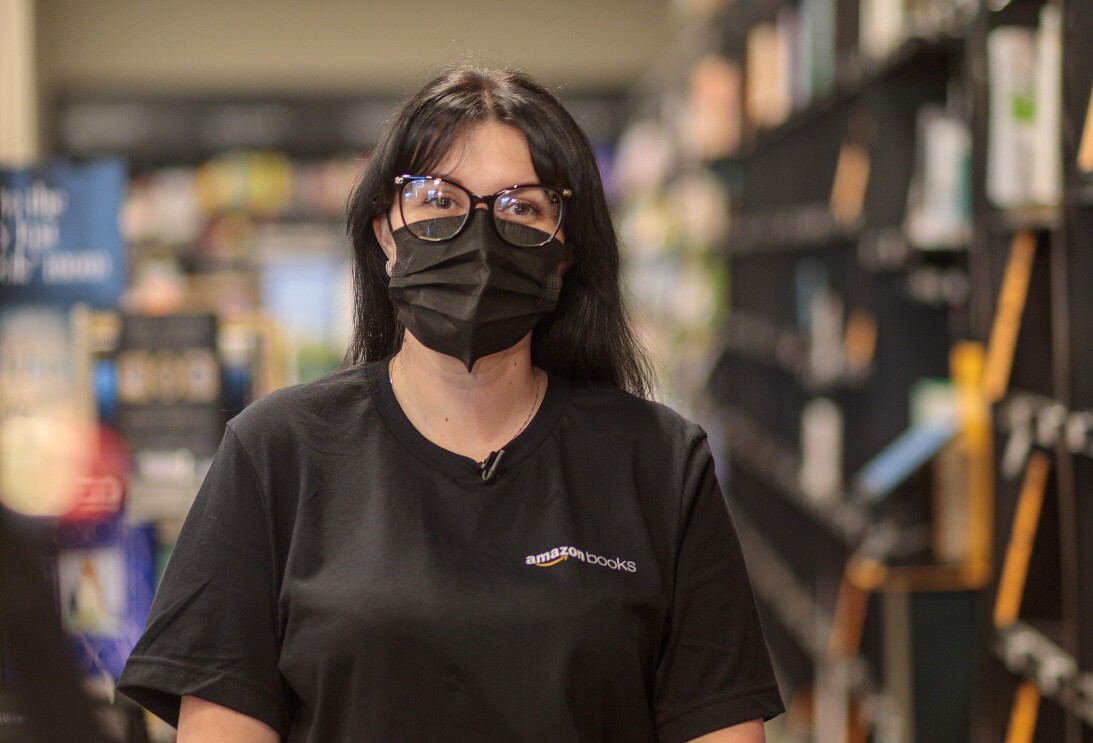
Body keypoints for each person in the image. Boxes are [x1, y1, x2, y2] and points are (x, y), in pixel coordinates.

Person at [117, 65, 784, 742]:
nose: (480, 238)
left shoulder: (660, 464)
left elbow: (721, 725)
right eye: (438, 199)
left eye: (521, 208)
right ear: (383, 231)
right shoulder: (273, 453)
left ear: (565, 251)